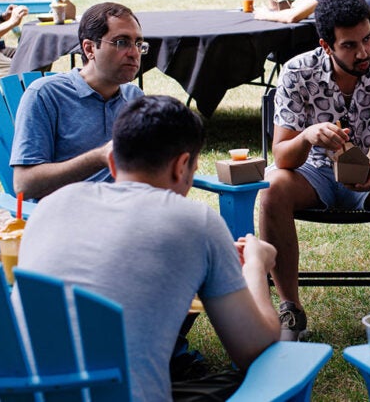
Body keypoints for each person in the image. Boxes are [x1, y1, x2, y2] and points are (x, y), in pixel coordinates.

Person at [17, 95, 280, 401]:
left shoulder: (50, 206)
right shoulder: (197, 222)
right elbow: (254, 348)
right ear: (182, 166)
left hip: (30, 393)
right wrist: (256, 267)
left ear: (112, 161)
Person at [258, 0, 370, 342]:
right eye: (349, 45)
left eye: (368, 39)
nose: (363, 52)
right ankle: (291, 309)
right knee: (271, 190)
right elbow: (282, 156)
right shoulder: (297, 72)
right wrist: (307, 136)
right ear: (326, 45)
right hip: (313, 173)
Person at [11, 1, 146, 200]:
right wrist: (99, 157)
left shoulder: (134, 97)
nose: (134, 53)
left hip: (128, 211)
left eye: (138, 44)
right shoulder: (46, 95)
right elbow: (25, 184)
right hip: (68, 217)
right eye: (121, 42)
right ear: (90, 48)